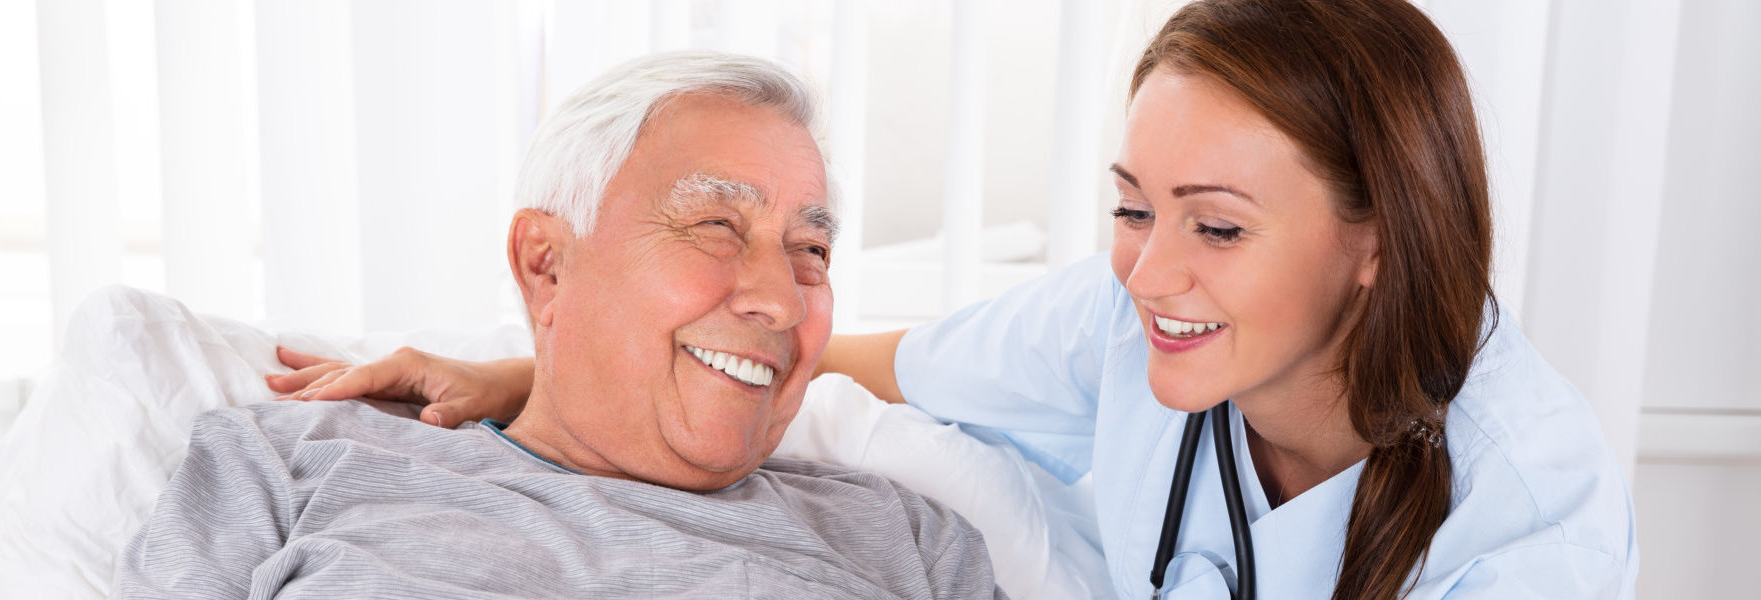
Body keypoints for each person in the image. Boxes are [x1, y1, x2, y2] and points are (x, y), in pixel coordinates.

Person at [273, 1, 1637, 597]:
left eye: (1217, 226)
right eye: (1130, 208)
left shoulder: (1529, 511)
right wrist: (543, 371)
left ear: (1373, 242)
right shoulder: (1118, 325)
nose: (1151, 274)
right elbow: (834, 361)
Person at [117, 51, 1005, 599]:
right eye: (715, 227)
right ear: (546, 263)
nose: (780, 297)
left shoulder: (907, 541)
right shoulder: (288, 464)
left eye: (810, 249)